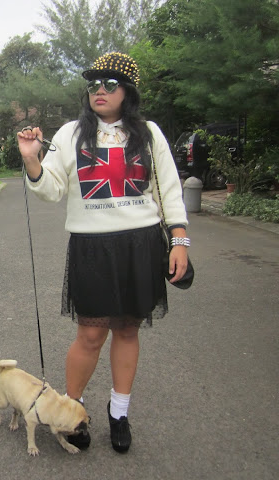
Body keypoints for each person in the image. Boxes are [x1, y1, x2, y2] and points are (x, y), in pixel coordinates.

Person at [16, 52, 189, 453]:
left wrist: (179, 240)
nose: (100, 90)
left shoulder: (149, 133)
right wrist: (31, 160)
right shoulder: (70, 133)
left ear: (128, 91)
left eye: (110, 84)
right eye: (93, 84)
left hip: (141, 244)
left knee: (127, 329)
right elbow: (51, 190)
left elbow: (169, 189)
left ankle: (119, 412)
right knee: (91, 334)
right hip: (91, 246)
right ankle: (69, 410)